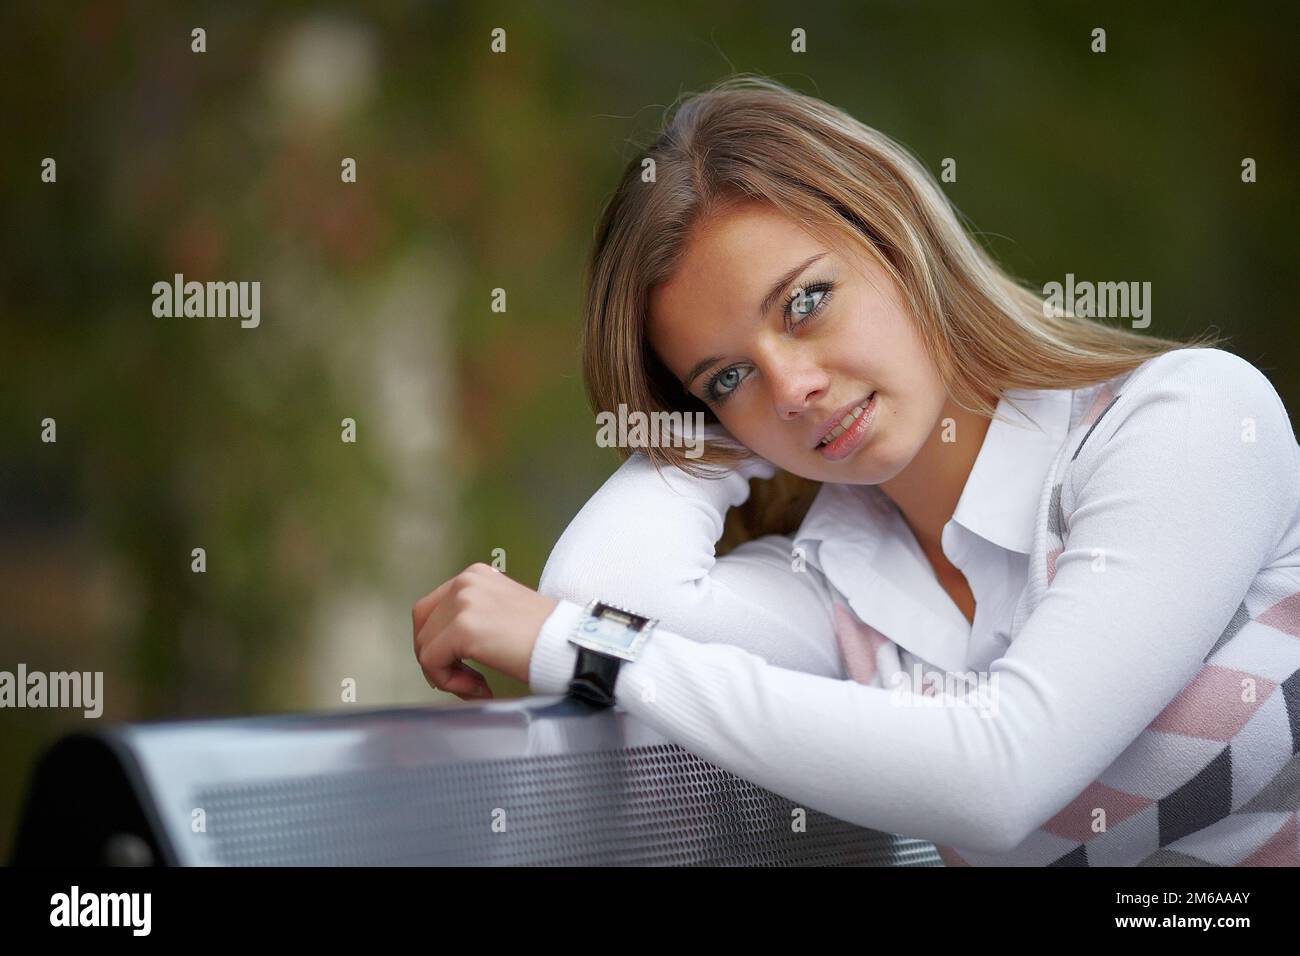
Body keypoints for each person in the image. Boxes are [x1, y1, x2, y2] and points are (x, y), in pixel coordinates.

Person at [412, 75, 1300, 865]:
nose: (793, 389)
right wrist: (711, 438)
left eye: (805, 303)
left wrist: (588, 654)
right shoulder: (832, 584)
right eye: (727, 374)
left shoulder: (1190, 421)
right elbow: (599, 589)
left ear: (899, 236)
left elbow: (999, 778)